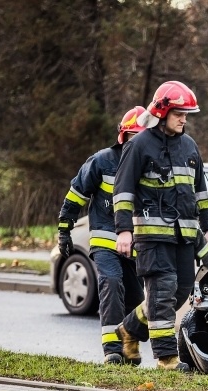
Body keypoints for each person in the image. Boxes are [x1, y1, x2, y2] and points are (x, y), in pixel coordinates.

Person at [112, 80, 208, 371]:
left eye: (187, 114)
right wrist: (123, 230)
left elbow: (200, 191)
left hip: (185, 236)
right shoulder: (139, 145)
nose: (184, 119)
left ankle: (129, 330)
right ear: (162, 112)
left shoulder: (189, 146)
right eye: (179, 113)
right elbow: (122, 191)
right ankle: (167, 358)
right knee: (161, 292)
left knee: (179, 292)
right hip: (152, 238)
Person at [57, 106, 147, 365]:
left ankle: (129, 342)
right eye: (134, 137)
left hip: (136, 245)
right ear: (123, 136)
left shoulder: (149, 167)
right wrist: (65, 230)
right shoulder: (102, 161)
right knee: (111, 281)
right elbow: (76, 196)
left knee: (137, 299)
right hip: (105, 239)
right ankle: (112, 350)